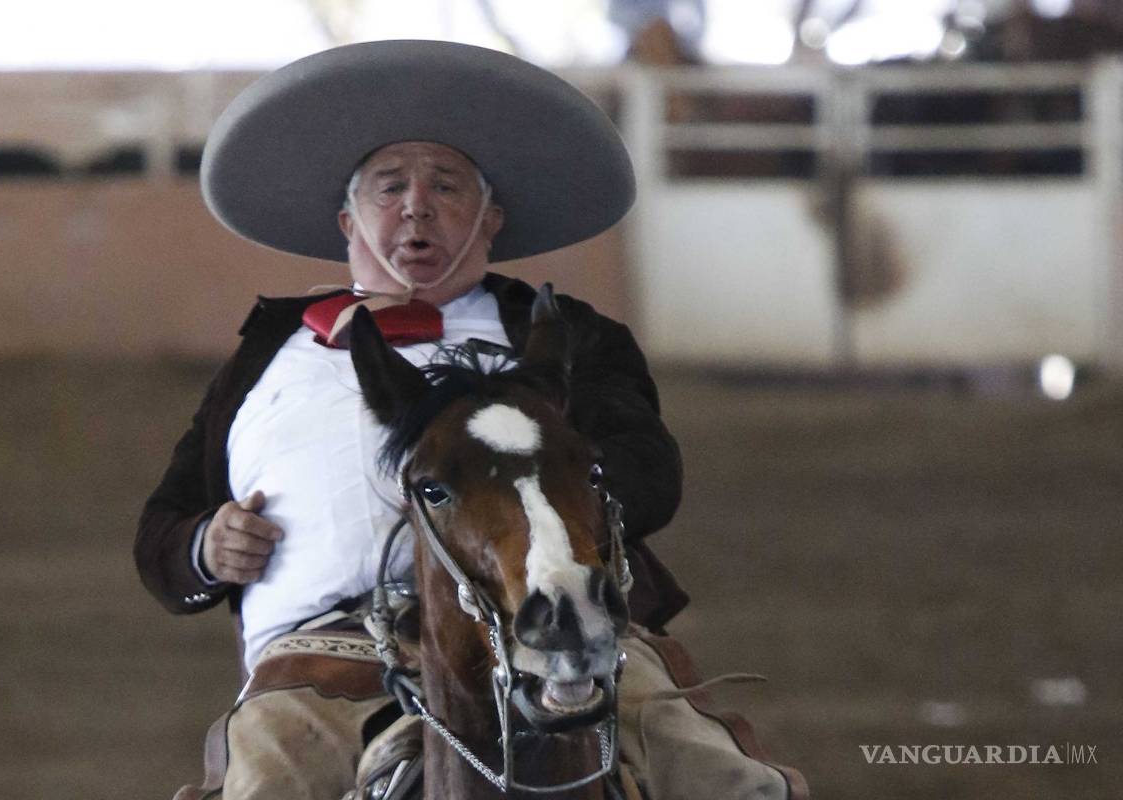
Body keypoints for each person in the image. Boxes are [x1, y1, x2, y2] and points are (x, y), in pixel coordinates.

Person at [136, 40, 804, 800]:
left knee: (715, 773)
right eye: (390, 187)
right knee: (268, 774)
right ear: (348, 222)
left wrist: (539, 499)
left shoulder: (565, 338)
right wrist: (205, 546)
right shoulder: (265, 358)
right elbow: (164, 528)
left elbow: (648, 473)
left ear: (491, 221)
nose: (416, 206)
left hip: (546, 624)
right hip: (323, 661)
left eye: (446, 186)